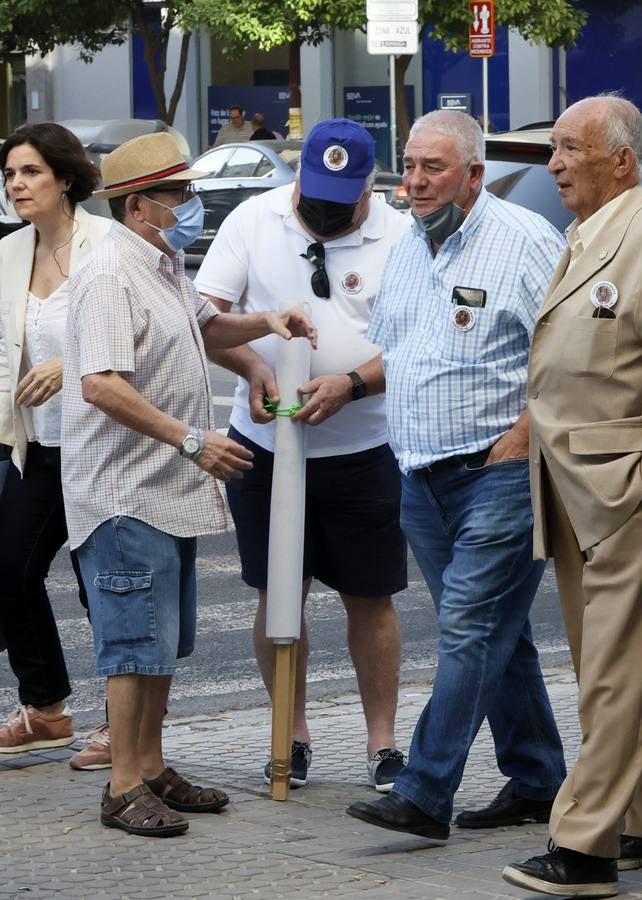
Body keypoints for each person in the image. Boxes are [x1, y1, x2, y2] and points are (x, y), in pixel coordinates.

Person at [60, 132, 316, 837]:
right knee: (133, 643)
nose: (192, 204)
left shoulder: (161, 260)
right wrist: (191, 438)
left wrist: (266, 321)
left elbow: (208, 326)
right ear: (139, 205)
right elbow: (101, 385)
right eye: (181, 194)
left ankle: (149, 766)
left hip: (164, 488)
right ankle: (121, 787)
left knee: (162, 643)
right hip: (123, 493)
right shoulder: (111, 269)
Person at [502, 96, 642, 897]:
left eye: (568, 149)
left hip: (624, 493)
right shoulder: (589, 234)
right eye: (554, 150)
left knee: (612, 676)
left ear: (621, 160)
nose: (554, 163)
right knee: (619, 667)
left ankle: (585, 848)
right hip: (574, 492)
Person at [344, 109, 567, 841]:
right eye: (408, 166)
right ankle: (537, 779)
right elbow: (403, 354)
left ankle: (424, 791)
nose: (413, 182)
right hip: (421, 478)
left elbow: (569, 358)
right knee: (499, 633)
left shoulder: (526, 241)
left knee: (470, 631)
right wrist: (346, 387)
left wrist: (525, 436)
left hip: (497, 472)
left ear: (474, 173)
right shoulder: (409, 246)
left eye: (432, 168)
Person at [195, 118, 410, 791]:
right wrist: (256, 373)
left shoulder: (401, 237)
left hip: (363, 446)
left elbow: (417, 343)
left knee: (370, 597)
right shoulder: (255, 221)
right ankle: (290, 734)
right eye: (312, 201)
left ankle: (382, 745)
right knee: (277, 590)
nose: (321, 216)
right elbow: (203, 321)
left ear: (369, 186)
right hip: (266, 445)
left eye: (338, 205)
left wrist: (352, 384)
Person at [0, 123, 110, 758]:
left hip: (104, 444)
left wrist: (71, 366)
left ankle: (127, 724)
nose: (17, 184)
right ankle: (45, 708)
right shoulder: (11, 252)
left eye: (31, 171)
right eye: (11, 174)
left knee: (105, 582)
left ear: (65, 179)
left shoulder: (108, 246)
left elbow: (147, 332)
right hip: (37, 445)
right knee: (9, 570)